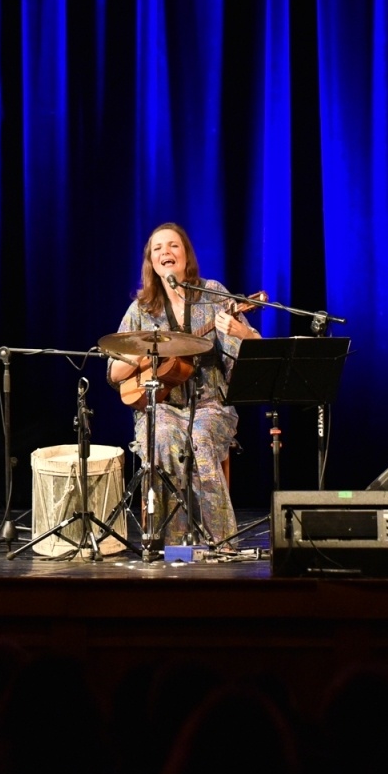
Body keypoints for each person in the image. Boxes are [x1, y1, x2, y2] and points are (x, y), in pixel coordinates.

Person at [106, 223, 259, 545]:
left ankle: (220, 543)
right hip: (160, 406)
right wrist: (152, 356)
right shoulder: (142, 309)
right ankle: (175, 548)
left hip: (210, 406)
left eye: (173, 246)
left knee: (200, 438)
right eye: (158, 248)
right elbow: (115, 373)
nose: (166, 252)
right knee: (162, 439)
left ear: (186, 255)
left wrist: (242, 334)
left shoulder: (213, 295)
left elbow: (251, 355)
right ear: (151, 261)